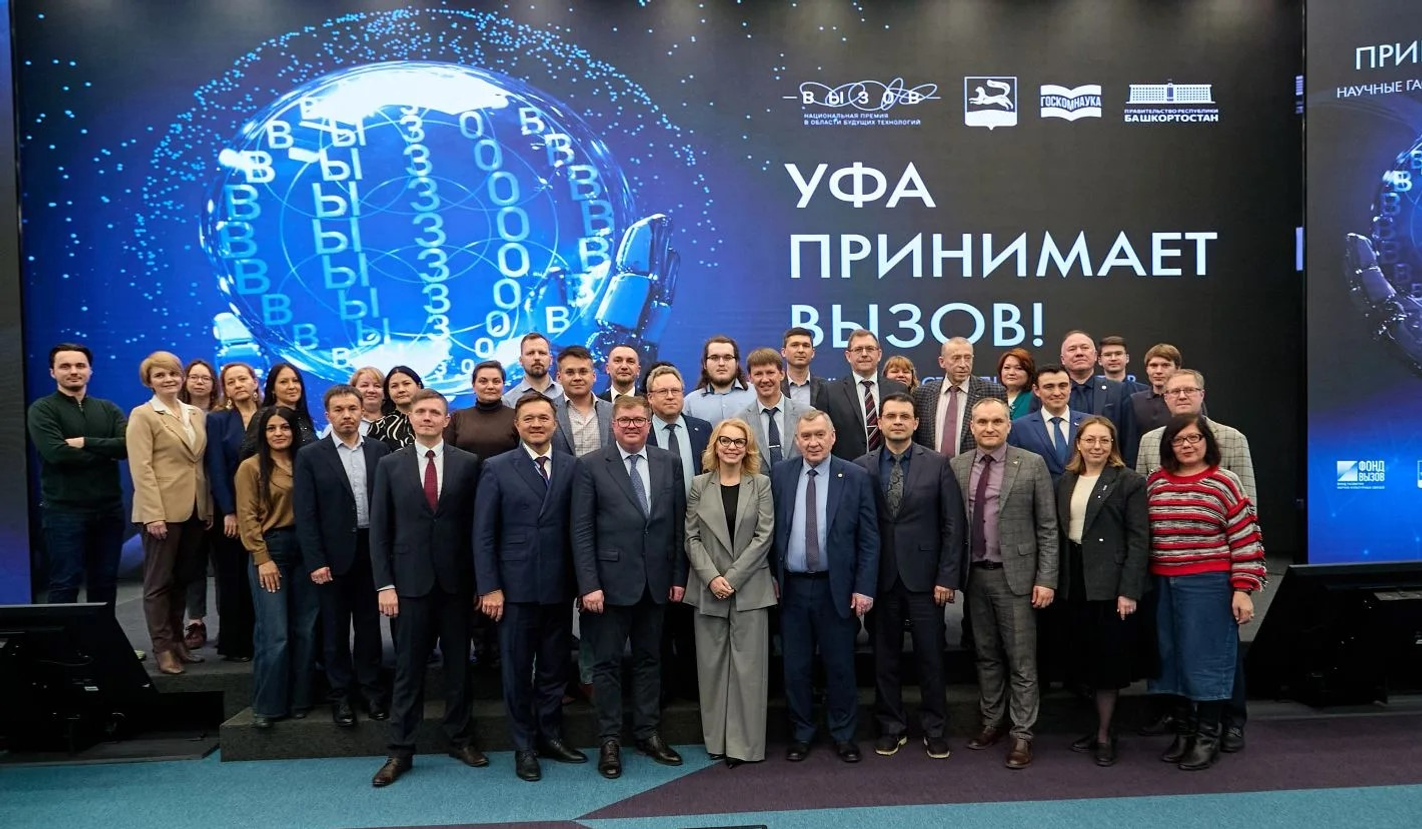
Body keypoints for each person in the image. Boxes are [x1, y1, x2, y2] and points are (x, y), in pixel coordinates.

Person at [1136, 369, 1256, 752]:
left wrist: (1243, 588)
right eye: (1179, 440)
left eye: (1194, 439)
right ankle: (1185, 731)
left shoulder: (1225, 482)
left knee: (1208, 657)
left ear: (1207, 441)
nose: (1187, 445)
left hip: (1209, 584)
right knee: (1171, 659)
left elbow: (1245, 536)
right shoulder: (1155, 483)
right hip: (1162, 584)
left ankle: (1209, 734)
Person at [370, 389, 485, 787]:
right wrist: (384, 584)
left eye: (435, 412)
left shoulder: (468, 463)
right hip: (408, 586)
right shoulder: (389, 464)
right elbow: (380, 530)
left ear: (446, 419)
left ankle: (460, 739)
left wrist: (481, 583)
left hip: (457, 585)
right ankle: (400, 750)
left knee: (459, 669)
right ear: (411, 417)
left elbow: (477, 528)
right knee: (408, 670)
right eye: (421, 412)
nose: (427, 418)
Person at [571, 396, 688, 779]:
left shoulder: (668, 462)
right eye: (625, 420)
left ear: (649, 423)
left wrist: (677, 576)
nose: (632, 425)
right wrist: (589, 584)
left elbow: (676, 524)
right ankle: (609, 740)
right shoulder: (590, 465)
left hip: (656, 583)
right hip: (608, 587)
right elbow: (581, 530)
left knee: (650, 661)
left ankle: (647, 733)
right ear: (613, 424)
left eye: (639, 420)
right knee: (606, 665)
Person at [474, 393, 588, 782]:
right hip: (514, 588)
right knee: (518, 671)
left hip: (558, 585)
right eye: (529, 419)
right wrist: (489, 587)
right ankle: (523, 746)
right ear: (517, 425)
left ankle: (550, 735)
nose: (537, 424)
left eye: (543, 418)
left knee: (555, 668)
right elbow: (483, 534)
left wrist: (582, 582)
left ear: (555, 423)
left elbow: (579, 529)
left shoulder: (573, 466)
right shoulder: (496, 467)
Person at [854, 393, 964, 761]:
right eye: (891, 416)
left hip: (926, 580)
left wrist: (947, 577)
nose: (898, 421)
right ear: (880, 422)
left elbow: (953, 525)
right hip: (881, 578)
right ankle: (891, 727)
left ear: (916, 423)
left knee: (931, 658)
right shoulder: (861, 467)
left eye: (905, 416)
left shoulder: (938, 464)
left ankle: (935, 729)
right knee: (884, 659)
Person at [950, 398, 1057, 769]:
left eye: (997, 421)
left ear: (1009, 425)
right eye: (982, 422)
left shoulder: (1031, 464)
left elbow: (1047, 526)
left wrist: (1046, 578)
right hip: (975, 577)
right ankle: (992, 721)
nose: (989, 428)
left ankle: (1022, 733)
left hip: (1019, 579)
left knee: (1021, 660)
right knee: (986, 655)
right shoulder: (958, 466)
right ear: (972, 426)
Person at [771, 409, 879, 764]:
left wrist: (864, 587)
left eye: (820, 435)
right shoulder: (780, 474)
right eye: (806, 436)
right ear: (797, 440)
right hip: (792, 589)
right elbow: (771, 532)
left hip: (838, 588)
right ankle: (801, 734)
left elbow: (869, 538)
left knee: (840, 666)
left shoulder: (856, 476)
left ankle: (843, 735)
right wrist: (771, 575)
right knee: (796, 668)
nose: (813, 442)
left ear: (833, 437)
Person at [293, 385, 391, 728]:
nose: (347, 415)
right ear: (328, 415)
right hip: (331, 556)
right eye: (339, 410)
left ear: (362, 411)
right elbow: (305, 514)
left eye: (352, 408)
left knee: (369, 628)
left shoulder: (380, 450)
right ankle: (340, 697)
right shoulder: (310, 455)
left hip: (371, 550)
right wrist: (315, 560)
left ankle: (371, 691)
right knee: (334, 631)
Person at [1055, 416, 1149, 767]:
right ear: (1078, 444)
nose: (1097, 446)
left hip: (1111, 586)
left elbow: (1139, 540)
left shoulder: (1129, 481)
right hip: (1073, 581)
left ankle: (1106, 735)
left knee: (1108, 663)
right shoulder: (1065, 481)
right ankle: (1093, 728)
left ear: (1113, 445)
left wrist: (1129, 590)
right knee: (1082, 658)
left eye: (1104, 441)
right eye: (1090, 440)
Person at [684, 417, 775, 767]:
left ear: (748, 447)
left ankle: (744, 746)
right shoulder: (698, 485)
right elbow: (691, 537)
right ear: (715, 445)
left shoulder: (761, 483)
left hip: (749, 588)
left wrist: (733, 578)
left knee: (749, 672)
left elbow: (764, 536)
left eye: (739, 441)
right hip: (709, 588)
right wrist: (712, 578)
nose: (732, 447)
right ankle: (717, 741)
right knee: (711, 669)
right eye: (725, 440)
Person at [128, 351, 213, 676]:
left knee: (182, 580)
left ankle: (178, 642)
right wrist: (153, 514)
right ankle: (162, 647)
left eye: (173, 373)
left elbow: (199, 464)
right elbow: (141, 468)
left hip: (194, 509)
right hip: (161, 511)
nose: (168, 379)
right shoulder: (143, 415)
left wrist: (206, 506)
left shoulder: (195, 413)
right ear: (148, 381)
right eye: (160, 375)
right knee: (159, 582)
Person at [27, 343, 128, 612]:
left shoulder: (108, 409)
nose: (74, 371)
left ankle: (102, 639)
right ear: (52, 372)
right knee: (65, 583)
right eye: (65, 366)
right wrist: (105, 453)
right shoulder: (42, 409)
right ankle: (62, 641)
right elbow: (56, 453)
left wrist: (85, 442)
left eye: (80, 365)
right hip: (64, 512)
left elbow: (126, 446)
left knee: (105, 583)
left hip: (109, 511)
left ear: (90, 370)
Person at [236, 406, 316, 729]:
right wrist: (262, 558)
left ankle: (300, 699)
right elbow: (246, 517)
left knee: (305, 630)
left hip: (307, 550)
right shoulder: (250, 467)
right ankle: (268, 705)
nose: (279, 433)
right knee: (275, 632)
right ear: (262, 433)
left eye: (285, 427)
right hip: (272, 550)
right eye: (272, 428)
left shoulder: (306, 462)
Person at [642, 364, 711, 704]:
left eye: (676, 390)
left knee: (693, 618)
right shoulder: (641, 433)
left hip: (699, 534)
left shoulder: (702, 429)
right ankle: (663, 691)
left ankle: (693, 689)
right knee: (659, 621)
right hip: (655, 537)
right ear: (649, 398)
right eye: (663, 391)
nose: (671, 396)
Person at [203, 362, 261, 661]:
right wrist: (229, 511)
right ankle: (236, 643)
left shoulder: (271, 416)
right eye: (231, 381)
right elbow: (215, 467)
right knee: (233, 579)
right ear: (225, 388)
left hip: (270, 511)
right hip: (233, 511)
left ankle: (265, 639)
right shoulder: (217, 420)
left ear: (254, 381)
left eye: (243, 379)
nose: (238, 385)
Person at [1136, 369, 1256, 502]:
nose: (1182, 396)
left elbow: (1247, 499)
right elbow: (1140, 499)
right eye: (1175, 391)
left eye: (1189, 390)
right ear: (1166, 398)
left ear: (1202, 394)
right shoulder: (1148, 441)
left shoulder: (1233, 438)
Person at [817, 329, 908, 460]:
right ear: (848, 356)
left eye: (870, 349)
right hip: (847, 467)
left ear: (879, 354)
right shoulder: (829, 391)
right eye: (858, 349)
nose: (864, 354)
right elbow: (821, 434)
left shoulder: (898, 389)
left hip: (892, 465)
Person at [180, 358, 221, 651]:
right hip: (189, 499)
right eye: (193, 377)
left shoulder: (224, 414)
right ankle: (195, 622)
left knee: (224, 566)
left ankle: (229, 622)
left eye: (205, 377)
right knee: (193, 564)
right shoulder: (176, 414)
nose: (199, 382)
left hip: (222, 499)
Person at [911, 337, 1007, 457]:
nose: (963, 364)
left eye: (967, 358)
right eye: (956, 358)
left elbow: (1003, 436)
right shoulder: (922, 394)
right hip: (930, 466)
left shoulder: (993, 392)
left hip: (976, 466)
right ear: (942, 362)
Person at [1058, 331, 1138, 467]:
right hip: (1062, 471)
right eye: (1072, 349)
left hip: (1109, 471)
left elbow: (1129, 439)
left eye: (1084, 348)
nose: (1079, 353)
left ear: (1095, 356)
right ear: (1062, 359)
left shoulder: (1118, 390)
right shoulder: (1050, 393)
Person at [1006, 363, 1088, 482]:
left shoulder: (1089, 423)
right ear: (1036, 390)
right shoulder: (1018, 428)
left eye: (1063, 386)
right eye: (1049, 387)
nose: (1057, 392)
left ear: (1070, 387)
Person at [738, 347, 809, 470]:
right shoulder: (740, 420)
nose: (765, 379)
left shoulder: (806, 414)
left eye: (770, 372)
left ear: (782, 374)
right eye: (758, 374)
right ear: (750, 378)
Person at [239, 362, 317, 459]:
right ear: (272, 389)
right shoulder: (264, 416)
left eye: (295, 381)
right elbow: (247, 454)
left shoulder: (303, 417)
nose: (291, 386)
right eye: (283, 382)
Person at [446, 360, 519, 460]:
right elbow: (448, 456)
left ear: (503, 385)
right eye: (483, 381)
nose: (490, 386)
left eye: (496, 381)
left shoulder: (516, 417)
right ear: (473, 385)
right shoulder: (457, 418)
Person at [553, 345, 613, 457]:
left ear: (594, 376)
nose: (577, 378)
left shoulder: (612, 411)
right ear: (559, 377)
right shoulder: (548, 411)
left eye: (583, 372)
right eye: (570, 372)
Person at [684, 335, 756, 425]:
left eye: (727, 357)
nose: (721, 363)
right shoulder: (689, 403)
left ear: (737, 363)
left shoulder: (756, 395)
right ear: (704, 364)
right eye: (714, 358)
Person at [1129, 343, 1196, 435]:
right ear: (1147, 369)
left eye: (1165, 365)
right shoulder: (1134, 401)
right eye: (1153, 365)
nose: (1158, 371)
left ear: (1177, 369)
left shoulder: (1188, 400)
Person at [368, 365, 424, 452]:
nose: (401, 390)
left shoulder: (434, 419)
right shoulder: (379, 427)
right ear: (388, 391)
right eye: (394, 386)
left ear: (418, 386)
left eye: (406, 384)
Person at [502, 332, 564, 407]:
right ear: (521, 361)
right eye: (530, 353)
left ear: (550, 360)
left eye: (542, 353)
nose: (537, 358)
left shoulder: (566, 395)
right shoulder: (508, 401)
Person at [780, 327, 824, 409]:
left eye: (806, 346)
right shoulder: (774, 386)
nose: (801, 350)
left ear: (813, 353)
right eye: (794, 345)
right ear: (783, 352)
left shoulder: (825, 388)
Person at [996, 347, 1037, 421]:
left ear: (1029, 372)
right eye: (1007, 368)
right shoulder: (994, 397)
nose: (1011, 373)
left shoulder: (1035, 397)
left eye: (1019, 368)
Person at [350, 366, 387, 434]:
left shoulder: (397, 423)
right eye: (364, 385)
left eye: (377, 386)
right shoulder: (340, 425)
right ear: (353, 390)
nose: (371, 390)